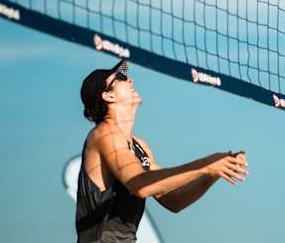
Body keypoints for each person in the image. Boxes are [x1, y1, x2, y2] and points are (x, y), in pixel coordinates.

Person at [76, 59, 248, 242]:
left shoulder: (138, 146)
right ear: (108, 96)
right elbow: (140, 185)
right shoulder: (104, 134)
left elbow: (174, 201)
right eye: (121, 77)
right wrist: (206, 166)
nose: (130, 80)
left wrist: (215, 171)